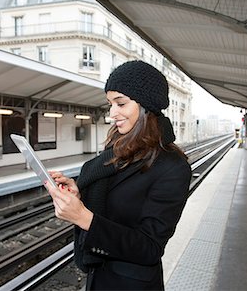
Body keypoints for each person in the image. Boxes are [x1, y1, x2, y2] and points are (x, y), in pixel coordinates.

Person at [45, 60, 191, 290]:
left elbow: (150, 247)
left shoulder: (172, 166)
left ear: (146, 105)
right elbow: (110, 202)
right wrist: (79, 193)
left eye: (120, 103)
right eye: (110, 103)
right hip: (99, 277)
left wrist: (84, 218)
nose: (112, 113)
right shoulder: (118, 150)